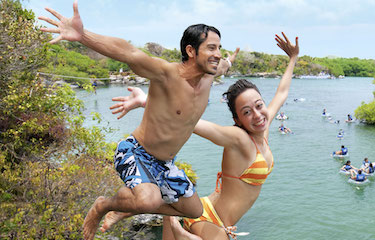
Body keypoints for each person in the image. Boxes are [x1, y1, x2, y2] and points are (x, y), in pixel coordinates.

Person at [38, 2, 239, 239]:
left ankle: (126, 210)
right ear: (191, 51)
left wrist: (229, 59)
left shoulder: (210, 74)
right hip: (135, 151)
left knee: (194, 210)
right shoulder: (166, 74)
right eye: (211, 48)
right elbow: (129, 52)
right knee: (148, 199)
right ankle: (104, 205)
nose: (216, 54)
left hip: (165, 163)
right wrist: (83, 36)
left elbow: (224, 65)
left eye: (219, 48)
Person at [116, 33, 298, 239]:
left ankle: (145, 214)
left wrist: (293, 58)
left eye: (259, 106)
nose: (257, 115)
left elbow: (281, 93)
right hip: (209, 218)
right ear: (238, 120)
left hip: (214, 217)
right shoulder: (237, 138)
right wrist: (145, 100)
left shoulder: (263, 128)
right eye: (247, 112)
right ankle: (174, 226)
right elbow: (189, 121)